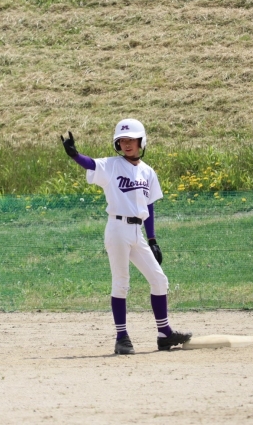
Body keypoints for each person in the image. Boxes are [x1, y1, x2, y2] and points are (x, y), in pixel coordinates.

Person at [61, 119, 191, 354]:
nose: (127, 144)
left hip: (137, 232)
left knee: (159, 280)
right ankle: (122, 338)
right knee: (121, 283)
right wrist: (74, 155)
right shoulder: (111, 165)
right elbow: (91, 163)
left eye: (131, 140)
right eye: (122, 141)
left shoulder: (148, 171)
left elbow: (149, 206)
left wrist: (152, 239)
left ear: (141, 142)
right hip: (117, 228)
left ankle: (164, 334)